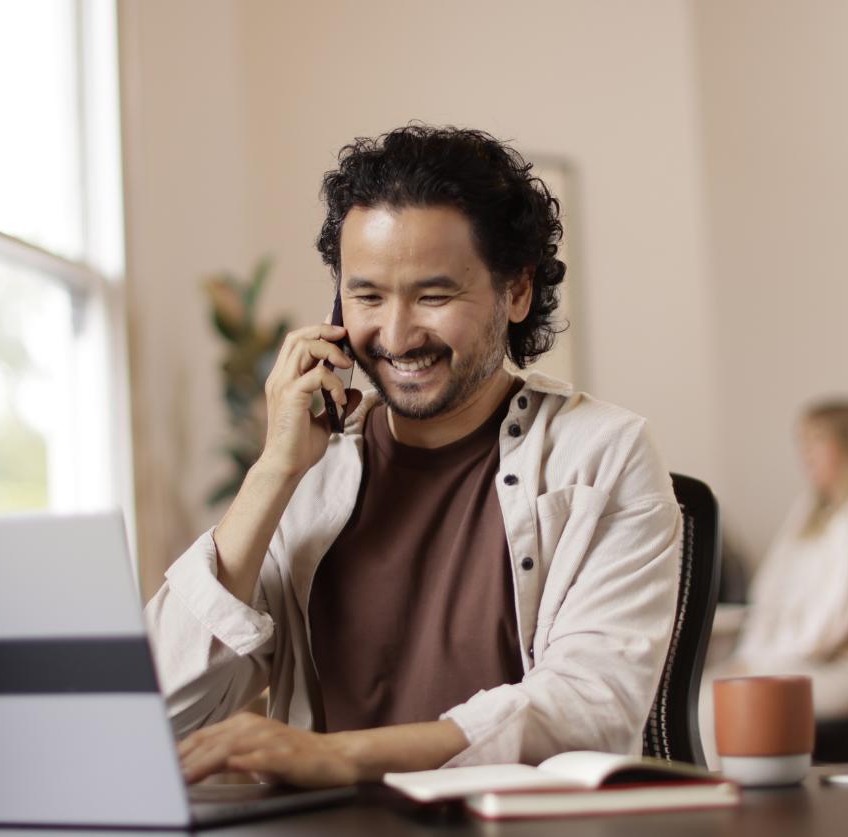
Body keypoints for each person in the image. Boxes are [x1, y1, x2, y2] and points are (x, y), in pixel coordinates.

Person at [144, 125, 682, 788]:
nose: (396, 336)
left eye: (433, 296)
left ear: (516, 290)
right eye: (368, 296)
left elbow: (590, 706)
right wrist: (273, 470)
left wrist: (341, 756)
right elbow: (159, 713)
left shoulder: (603, 454)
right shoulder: (309, 473)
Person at [699, 401, 848, 764]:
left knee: (713, 704)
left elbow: (838, 618)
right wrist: (751, 657)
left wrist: (766, 662)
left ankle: (723, 797)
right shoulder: (810, 510)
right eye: (801, 443)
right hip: (794, 662)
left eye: (817, 441)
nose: (806, 454)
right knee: (691, 696)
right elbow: (768, 592)